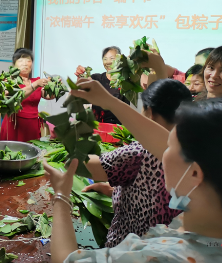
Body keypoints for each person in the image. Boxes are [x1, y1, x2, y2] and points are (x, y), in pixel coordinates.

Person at [44, 60, 222, 262]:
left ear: (194, 173)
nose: (161, 150)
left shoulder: (155, 257)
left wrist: (61, 197)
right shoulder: (202, 219)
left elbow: (65, 259)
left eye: (171, 146)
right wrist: (110, 101)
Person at [81, 79, 191, 247]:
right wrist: (114, 191)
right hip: (170, 250)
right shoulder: (193, 152)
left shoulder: (138, 153)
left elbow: (88, 167)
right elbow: (156, 199)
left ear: (149, 112)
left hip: (129, 251)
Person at [0, 48, 52, 142]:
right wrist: (35, 85)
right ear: (14, 64)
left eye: (28, 60)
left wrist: (55, 87)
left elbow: (48, 96)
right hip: (14, 126)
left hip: (32, 126)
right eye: (20, 60)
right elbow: (15, 97)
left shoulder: (36, 81)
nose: (25, 63)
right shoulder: (9, 81)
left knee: (31, 153)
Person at [75, 46, 129, 124]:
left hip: (119, 128)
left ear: (120, 59)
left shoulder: (125, 80)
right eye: (105, 59)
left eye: (112, 58)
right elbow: (81, 95)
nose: (108, 62)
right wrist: (81, 77)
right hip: (98, 126)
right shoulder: (96, 79)